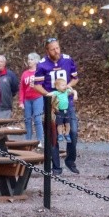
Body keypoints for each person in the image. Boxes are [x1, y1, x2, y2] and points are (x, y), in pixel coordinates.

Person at [32, 38, 80, 175]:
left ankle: (70, 160)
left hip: (67, 102)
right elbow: (36, 85)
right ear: (47, 50)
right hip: (51, 105)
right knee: (53, 134)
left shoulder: (67, 60)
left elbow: (75, 77)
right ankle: (56, 167)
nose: (56, 51)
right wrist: (50, 95)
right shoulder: (42, 65)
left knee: (73, 132)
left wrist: (67, 88)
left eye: (57, 48)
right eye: (53, 49)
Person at [20, 52, 43, 143]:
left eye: (31, 59)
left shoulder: (40, 72)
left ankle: (39, 141)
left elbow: (44, 85)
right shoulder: (25, 74)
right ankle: (27, 140)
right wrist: (21, 102)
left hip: (38, 97)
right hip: (27, 100)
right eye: (28, 59)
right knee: (27, 120)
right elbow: (22, 88)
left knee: (37, 120)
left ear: (36, 61)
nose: (29, 61)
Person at [51, 76, 75, 152]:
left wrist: (69, 87)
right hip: (59, 111)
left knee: (68, 124)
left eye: (65, 85)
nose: (65, 86)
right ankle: (60, 134)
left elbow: (72, 92)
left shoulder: (66, 92)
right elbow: (49, 94)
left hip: (66, 110)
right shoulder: (56, 93)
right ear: (57, 87)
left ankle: (67, 134)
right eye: (63, 85)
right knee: (60, 124)